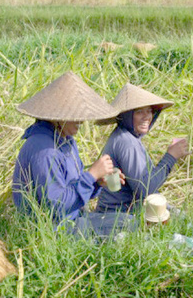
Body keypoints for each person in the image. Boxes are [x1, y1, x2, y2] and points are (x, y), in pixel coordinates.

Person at [12, 71, 123, 235]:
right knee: (125, 226)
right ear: (59, 116)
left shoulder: (66, 141)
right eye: (75, 115)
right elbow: (57, 206)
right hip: (54, 231)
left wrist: (97, 183)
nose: (81, 120)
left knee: (126, 221)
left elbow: (74, 193)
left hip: (73, 219)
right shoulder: (45, 150)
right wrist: (91, 175)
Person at [93, 83, 190, 234]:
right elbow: (145, 189)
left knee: (182, 219)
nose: (147, 117)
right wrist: (171, 157)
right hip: (117, 216)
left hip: (128, 211)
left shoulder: (128, 137)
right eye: (139, 112)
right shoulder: (126, 142)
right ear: (126, 116)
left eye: (149, 111)